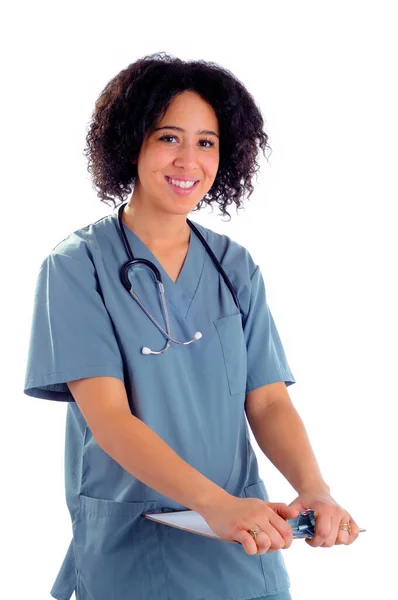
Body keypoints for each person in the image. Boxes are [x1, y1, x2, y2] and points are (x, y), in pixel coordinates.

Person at [23, 52, 360, 600]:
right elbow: (108, 418)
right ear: (131, 143)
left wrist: (314, 489)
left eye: (206, 142)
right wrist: (214, 504)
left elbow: (269, 402)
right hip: (136, 548)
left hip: (242, 543)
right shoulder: (77, 266)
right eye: (168, 138)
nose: (188, 160)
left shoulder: (233, 266)